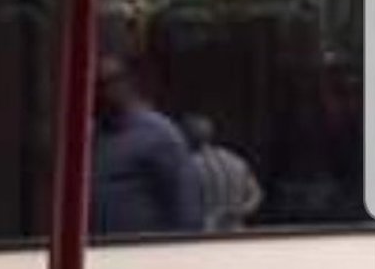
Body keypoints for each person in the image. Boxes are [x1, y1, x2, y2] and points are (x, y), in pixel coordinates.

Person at [91, 56, 202, 237]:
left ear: (126, 84)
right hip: (98, 246)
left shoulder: (158, 134)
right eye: (95, 86)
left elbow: (185, 204)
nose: (101, 93)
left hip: (142, 248)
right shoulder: (92, 137)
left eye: (108, 84)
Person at [181, 115, 263, 232]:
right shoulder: (236, 160)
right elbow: (256, 195)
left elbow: (184, 204)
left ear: (185, 137)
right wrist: (239, 211)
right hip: (236, 232)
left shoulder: (189, 165)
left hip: (203, 233)